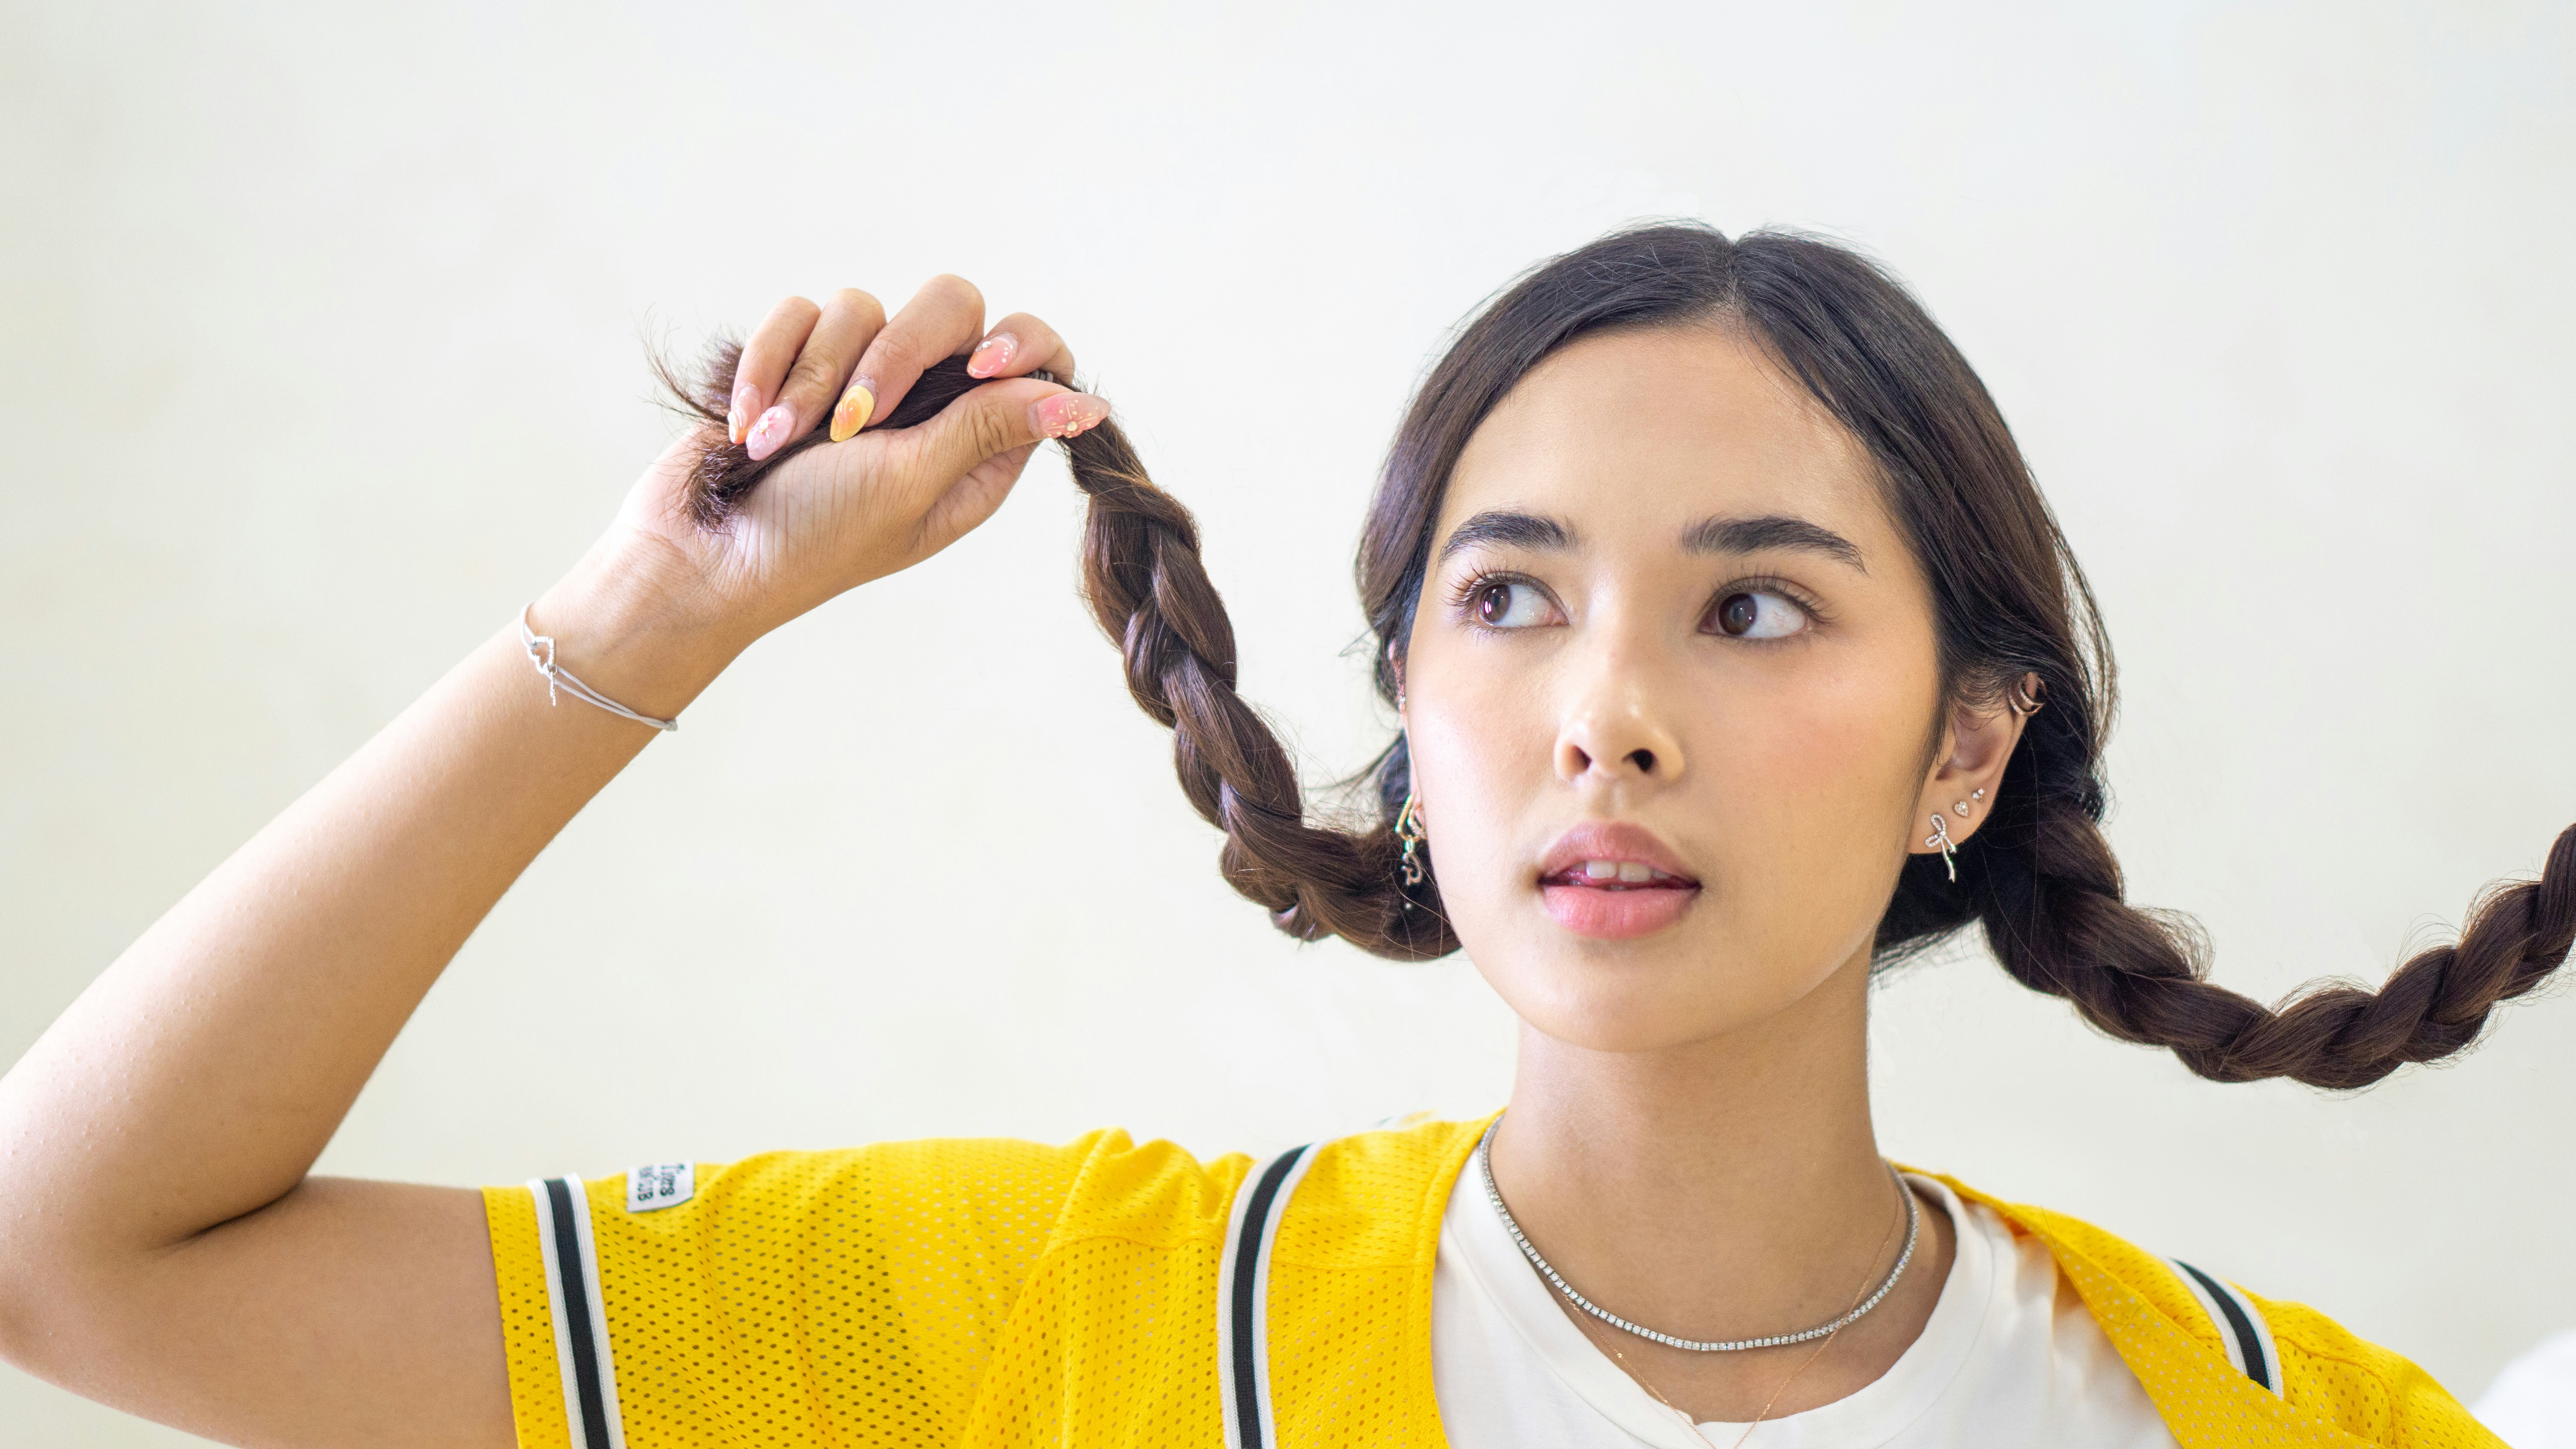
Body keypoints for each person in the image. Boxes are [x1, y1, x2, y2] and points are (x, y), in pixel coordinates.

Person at [0, 223, 2559, 1449]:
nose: (1610, 719)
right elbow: (76, 1253)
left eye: (1757, 613)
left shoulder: (2287, 1424)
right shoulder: (1046, 1323)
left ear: (1969, 752)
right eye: (1510, 600)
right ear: (1411, 715)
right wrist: (652, 612)